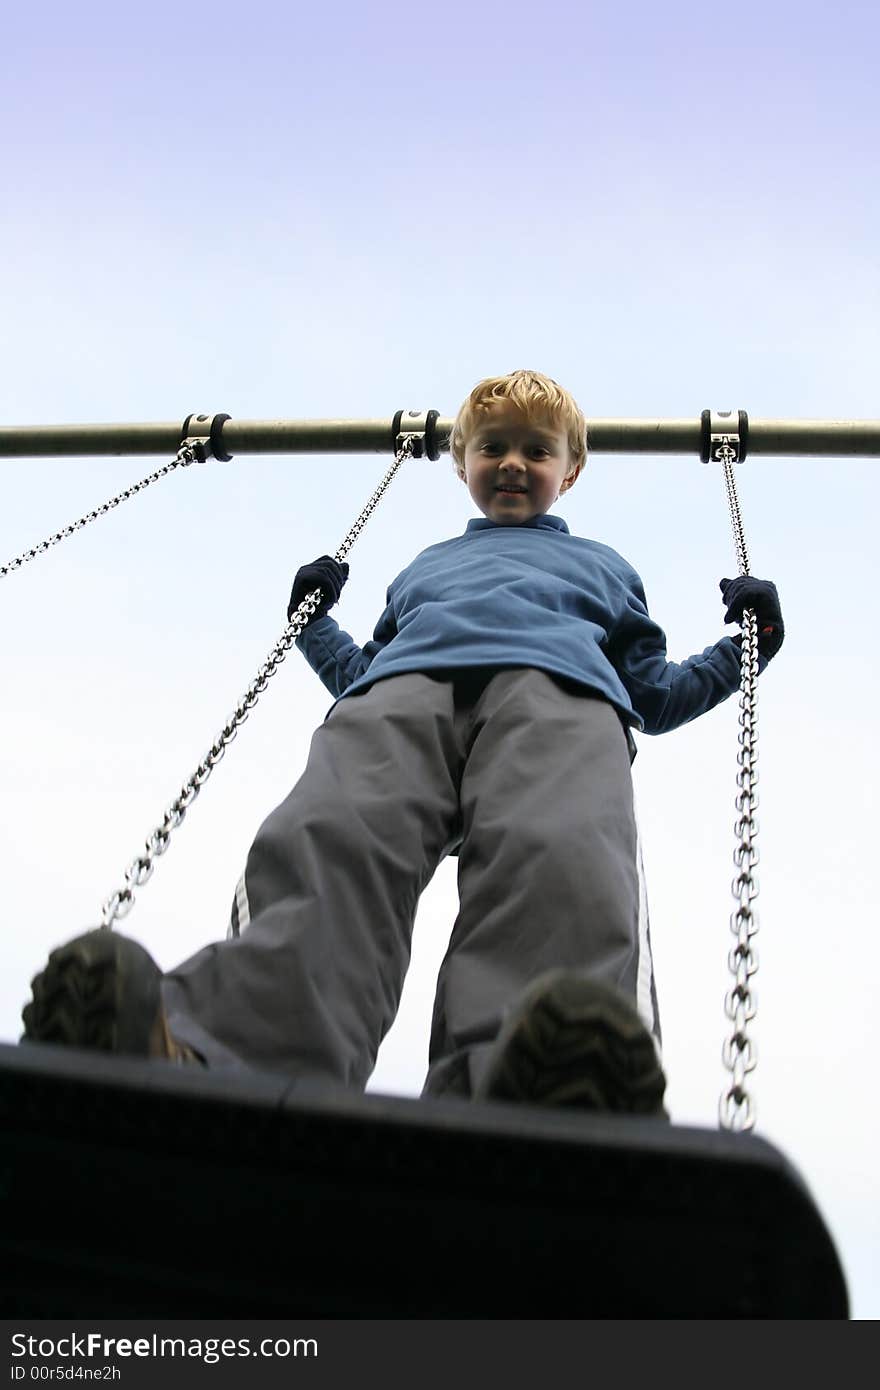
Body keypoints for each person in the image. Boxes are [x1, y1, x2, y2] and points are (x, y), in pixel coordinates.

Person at [21, 370, 784, 1117]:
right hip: (406, 688)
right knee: (335, 833)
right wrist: (314, 625)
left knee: (559, 853)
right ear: (462, 462)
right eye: (492, 448)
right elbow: (365, 665)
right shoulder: (426, 567)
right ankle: (225, 1055)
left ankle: (534, 1078)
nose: (513, 462)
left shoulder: (606, 568)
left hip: (560, 691)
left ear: (570, 469)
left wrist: (743, 647)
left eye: (536, 450)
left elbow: (653, 693)